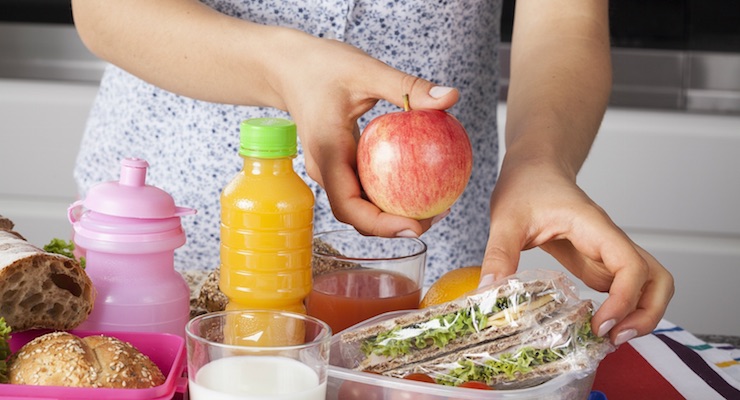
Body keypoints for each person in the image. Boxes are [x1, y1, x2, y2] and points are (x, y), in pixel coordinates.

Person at [71, 0, 673, 346]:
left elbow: (565, 22)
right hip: (165, 242)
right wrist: (285, 70)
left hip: (423, 248)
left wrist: (541, 161)